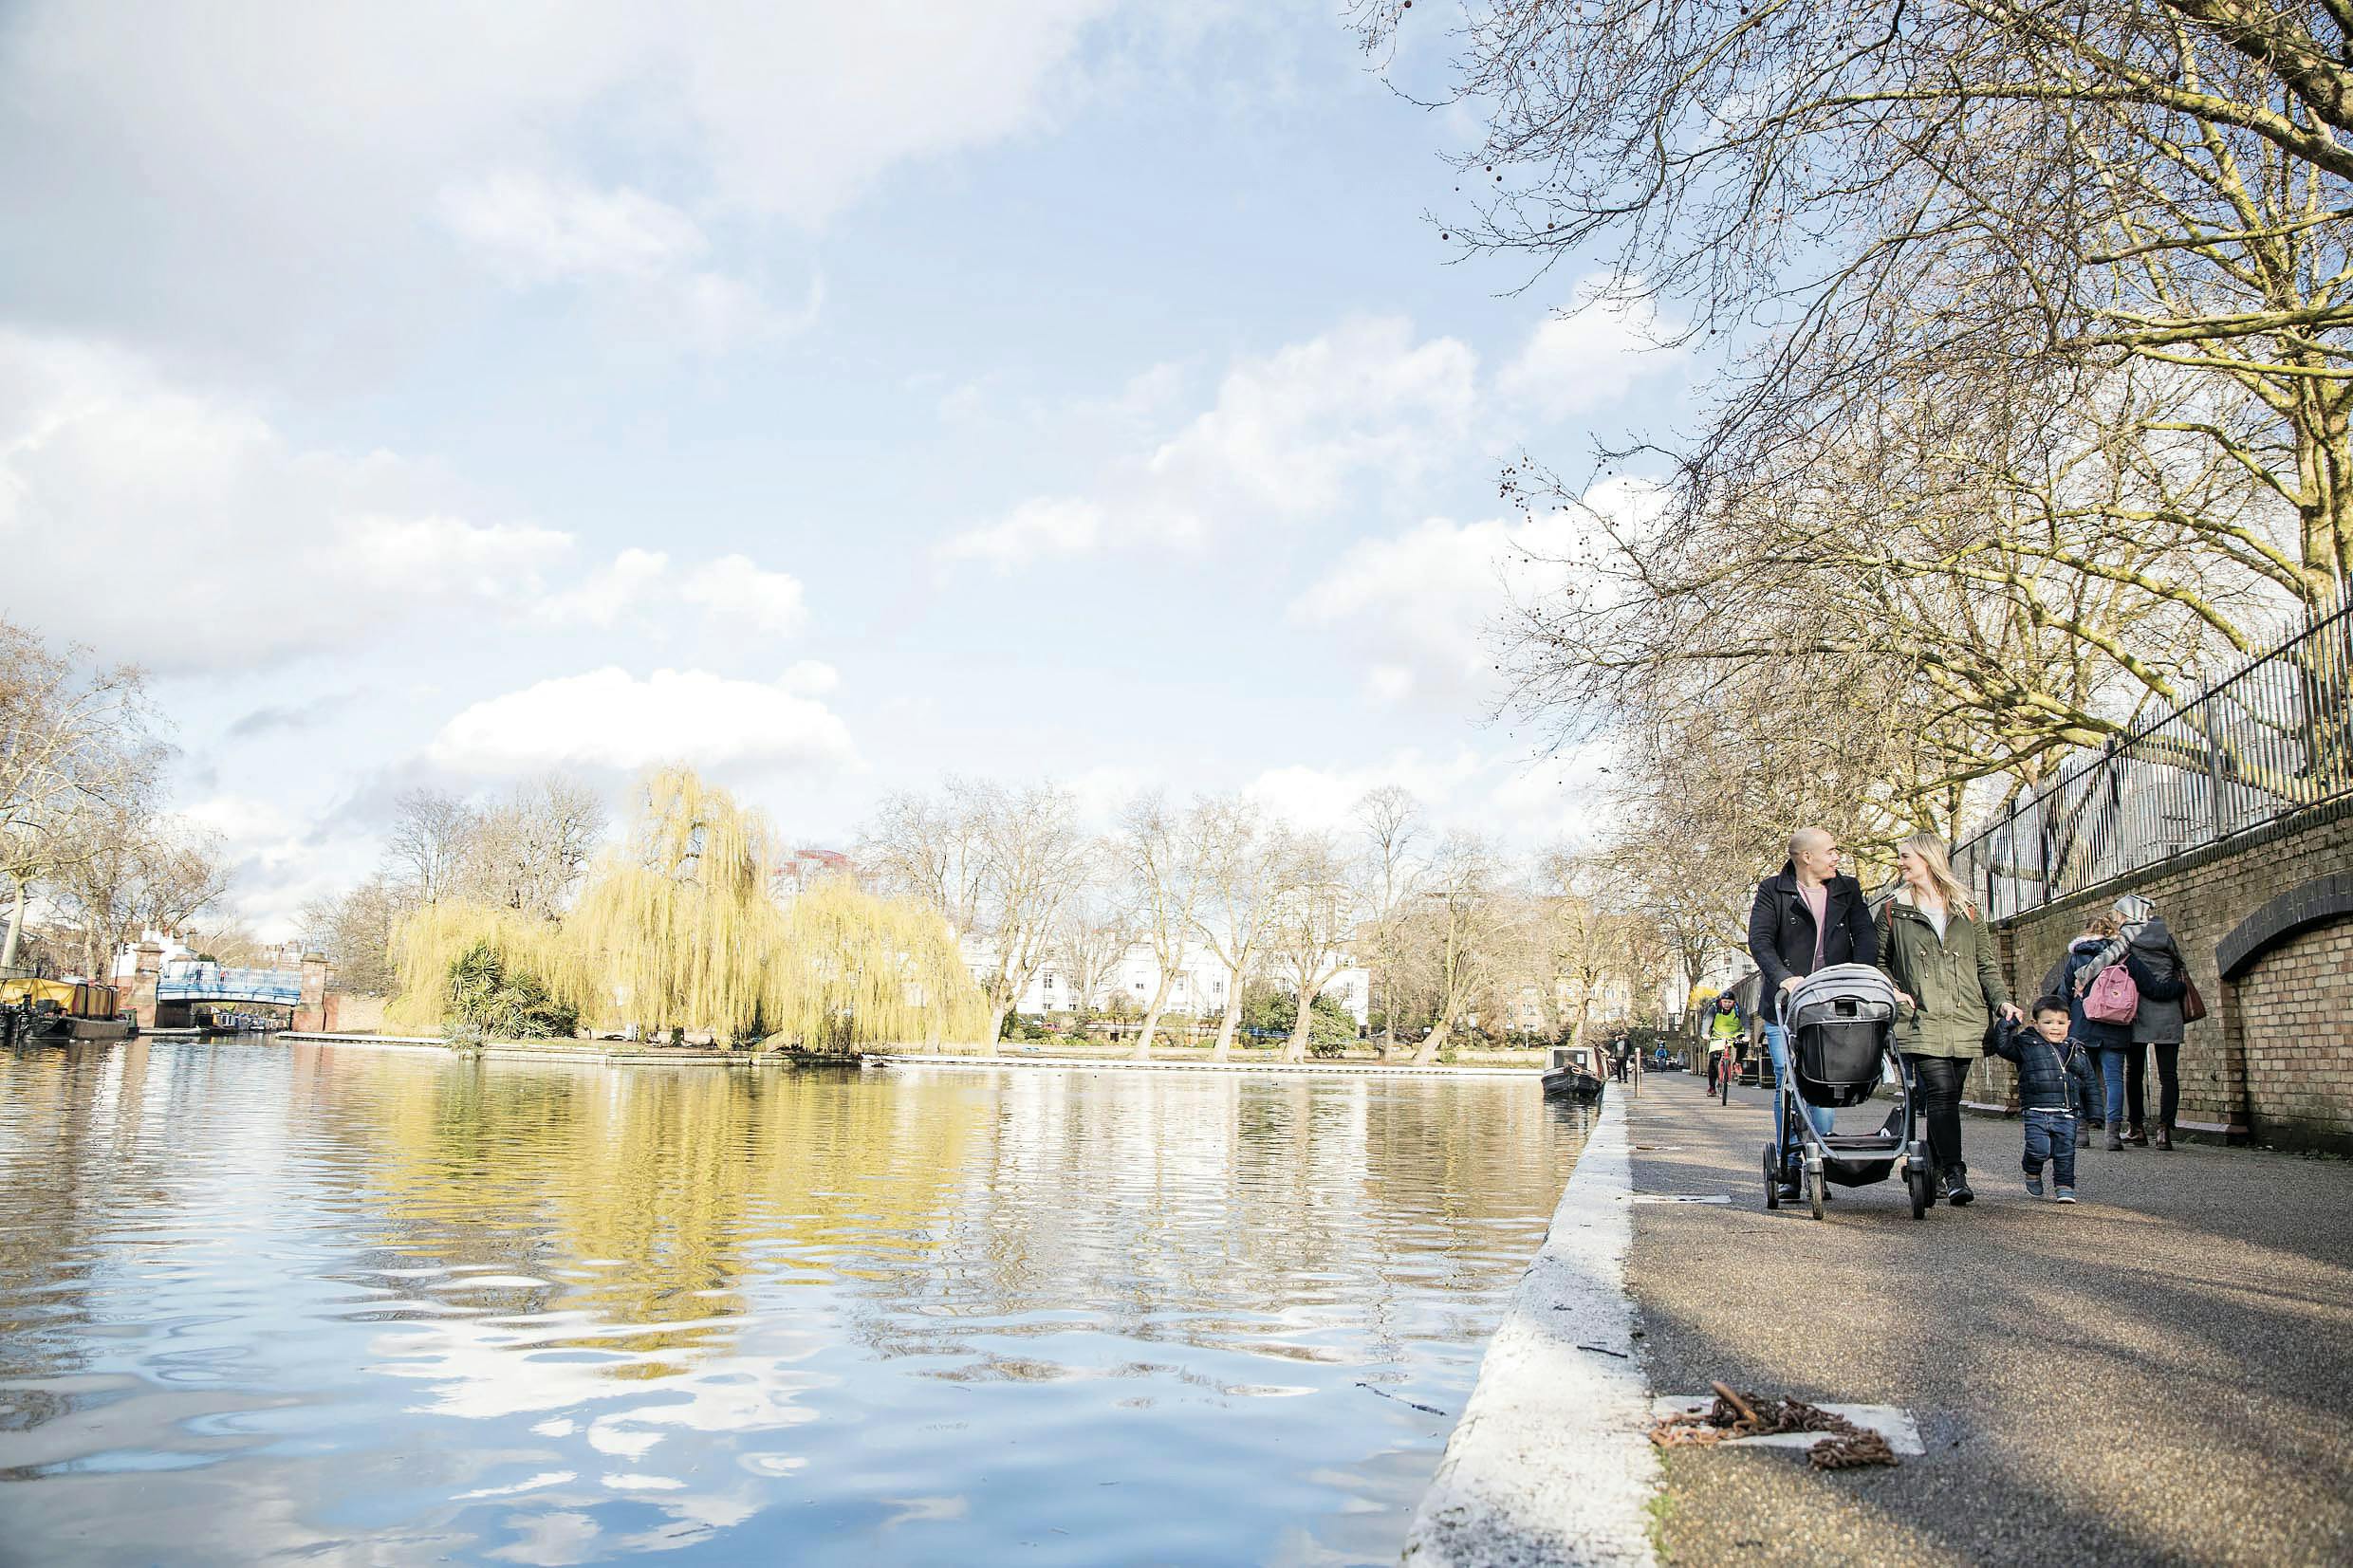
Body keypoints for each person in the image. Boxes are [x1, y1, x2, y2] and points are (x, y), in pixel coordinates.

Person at [1878, 832, 2018, 1207]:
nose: (1901, 863)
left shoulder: (1967, 909)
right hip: (1920, 1018)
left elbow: (1986, 964)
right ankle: (1956, 1172)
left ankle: (1931, 1168)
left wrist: (2002, 1002)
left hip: (1965, 1015)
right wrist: (1893, 988)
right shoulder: (1894, 910)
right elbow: (1876, 961)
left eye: (1906, 856)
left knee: (1949, 1097)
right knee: (1940, 1093)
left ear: (1927, 858)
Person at [1747, 826, 1880, 1197]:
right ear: (1807, 857)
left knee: (1824, 1081)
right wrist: (1784, 978)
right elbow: (1760, 939)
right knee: (1788, 1080)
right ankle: (1791, 1164)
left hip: (1833, 1002)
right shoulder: (1774, 890)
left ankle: (1817, 1158)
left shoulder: (1847, 889)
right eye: (1831, 851)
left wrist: (1862, 976)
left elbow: (1864, 934)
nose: (1838, 857)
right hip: (1788, 1003)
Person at [1983, 996, 2096, 1203]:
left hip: (2067, 1112)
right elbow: (2002, 1046)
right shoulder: (2027, 1044)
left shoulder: (2076, 1049)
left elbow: (2089, 1081)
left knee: (2065, 1152)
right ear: (2035, 1024)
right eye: (2048, 1022)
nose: (2055, 1028)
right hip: (2037, 1111)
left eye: (2061, 1023)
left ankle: (2064, 1186)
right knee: (2038, 1150)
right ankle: (2032, 1169)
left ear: (2069, 1024)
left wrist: (2095, 1112)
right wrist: (2008, 1023)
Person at [2115, 895, 2192, 1150]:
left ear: (2127, 915)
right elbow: (2180, 964)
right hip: (2169, 1010)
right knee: (2169, 1075)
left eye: (2119, 914)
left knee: (2134, 1072)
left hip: (2136, 1012)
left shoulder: (2125, 939)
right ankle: (2164, 1131)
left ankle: (2136, 1127)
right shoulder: (2165, 935)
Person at [2061, 913, 2136, 1152]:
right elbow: (2143, 984)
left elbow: (2063, 992)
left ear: (2086, 931)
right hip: (2116, 1025)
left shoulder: (2075, 957)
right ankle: (2112, 1135)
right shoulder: (2123, 955)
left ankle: (2081, 1131)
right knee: (2114, 1081)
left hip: (2083, 1026)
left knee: (2081, 1080)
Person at [1702, 992, 1745, 1095]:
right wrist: (1704, 1033)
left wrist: (1746, 1035)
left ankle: (1737, 1062)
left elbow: (1746, 1021)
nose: (1727, 1004)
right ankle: (1712, 1088)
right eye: (1725, 1001)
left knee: (1743, 1043)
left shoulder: (1738, 1009)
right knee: (1713, 1061)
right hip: (1717, 1035)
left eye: (1729, 1002)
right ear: (1721, 1001)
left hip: (1734, 1034)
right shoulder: (1714, 1008)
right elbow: (1707, 1021)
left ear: (1733, 1002)